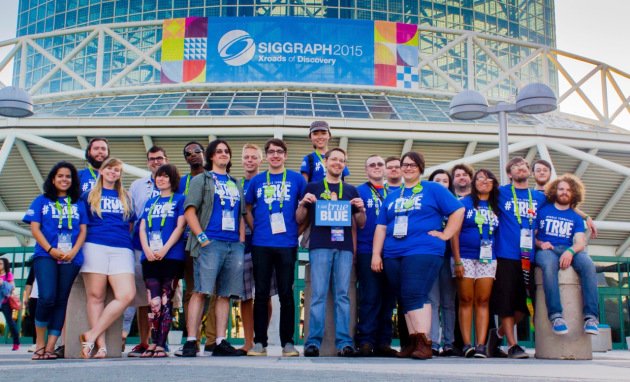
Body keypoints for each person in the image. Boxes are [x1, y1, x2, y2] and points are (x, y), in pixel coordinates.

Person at [372, 151, 464, 360]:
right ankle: (413, 342)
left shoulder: (433, 189)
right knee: (405, 297)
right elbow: (380, 227)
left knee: (415, 293)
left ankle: (425, 342)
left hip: (423, 249)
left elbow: (457, 211)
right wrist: (376, 255)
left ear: (421, 168)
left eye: (413, 164)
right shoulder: (394, 195)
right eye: (405, 164)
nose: (408, 167)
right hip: (393, 252)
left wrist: (446, 234)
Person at [297, 148, 366, 357]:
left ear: (345, 165)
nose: (337, 163)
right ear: (325, 162)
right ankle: (312, 343)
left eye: (341, 160)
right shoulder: (313, 187)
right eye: (334, 159)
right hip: (320, 246)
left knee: (342, 296)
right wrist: (303, 203)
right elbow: (300, 219)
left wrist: (362, 209)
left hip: (344, 248)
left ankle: (345, 343)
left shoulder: (351, 190)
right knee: (318, 294)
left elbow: (361, 224)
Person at [181, 139, 246, 357]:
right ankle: (191, 340)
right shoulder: (202, 180)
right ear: (211, 156)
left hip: (232, 244)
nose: (223, 154)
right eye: (218, 152)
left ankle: (219, 341)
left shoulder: (235, 183)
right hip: (210, 242)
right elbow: (190, 211)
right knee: (200, 291)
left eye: (226, 151)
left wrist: (241, 240)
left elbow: (242, 215)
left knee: (225, 295)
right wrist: (202, 237)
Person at [245, 139, 306, 357]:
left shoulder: (297, 179)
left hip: (287, 245)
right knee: (260, 294)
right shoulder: (258, 181)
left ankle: (287, 343)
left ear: (285, 155)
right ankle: (259, 342)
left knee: (286, 294)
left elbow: (307, 208)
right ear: (267, 156)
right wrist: (256, 228)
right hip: (261, 244)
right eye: (271, 152)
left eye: (279, 152)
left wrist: (297, 232)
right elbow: (247, 207)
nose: (275, 155)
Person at [23, 161, 88, 360]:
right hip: (46, 255)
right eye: (60, 176)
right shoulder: (41, 201)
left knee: (61, 300)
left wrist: (74, 251)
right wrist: (50, 249)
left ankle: (51, 347)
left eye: (68, 176)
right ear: (53, 179)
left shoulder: (79, 203)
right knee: (47, 297)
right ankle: (40, 344)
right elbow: (34, 228)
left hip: (71, 257)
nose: (64, 179)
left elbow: (83, 230)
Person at [487, 157, 546, 359]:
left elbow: (565, 205)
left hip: (529, 256)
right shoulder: (501, 193)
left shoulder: (538, 197)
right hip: (506, 254)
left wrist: (586, 218)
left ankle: (498, 335)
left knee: (523, 306)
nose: (521, 168)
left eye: (524, 166)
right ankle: (513, 345)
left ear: (529, 172)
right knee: (506, 302)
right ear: (509, 174)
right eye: (515, 167)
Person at [79, 158, 136, 359]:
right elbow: (82, 225)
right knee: (96, 296)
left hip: (121, 247)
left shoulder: (126, 197)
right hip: (94, 246)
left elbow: (130, 225)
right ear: (101, 171)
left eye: (117, 170)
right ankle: (100, 346)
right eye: (109, 168)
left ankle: (91, 335)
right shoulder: (88, 196)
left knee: (127, 294)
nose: (113, 172)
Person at [535, 174, 599, 336]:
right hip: (547, 250)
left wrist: (570, 251)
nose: (564, 192)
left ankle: (591, 317)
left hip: (568, 249)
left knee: (588, 265)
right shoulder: (542, 210)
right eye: (561, 189)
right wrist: (541, 243)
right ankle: (556, 316)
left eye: (568, 190)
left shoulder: (575, 217)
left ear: (574, 193)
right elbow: (531, 236)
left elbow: (580, 242)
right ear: (555, 191)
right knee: (549, 266)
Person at [451, 169, 500, 358]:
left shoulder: (497, 206)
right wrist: (456, 261)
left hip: (488, 257)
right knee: (465, 299)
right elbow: (454, 233)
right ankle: (466, 344)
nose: (484, 181)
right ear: (473, 182)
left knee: (483, 300)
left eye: (488, 177)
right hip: (465, 256)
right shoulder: (463, 204)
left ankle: (481, 345)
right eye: (479, 178)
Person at [138, 164, 186, 358]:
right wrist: (147, 249)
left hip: (171, 256)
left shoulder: (180, 199)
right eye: (158, 176)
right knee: (153, 302)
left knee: (166, 300)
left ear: (172, 179)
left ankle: (160, 345)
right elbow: (142, 228)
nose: (161, 179)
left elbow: (180, 226)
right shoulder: (150, 202)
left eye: (165, 176)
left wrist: (165, 249)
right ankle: (154, 341)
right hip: (149, 257)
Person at [126, 146, 167, 357]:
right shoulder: (137, 186)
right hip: (140, 247)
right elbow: (132, 217)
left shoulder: (175, 185)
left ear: (166, 160)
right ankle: (144, 341)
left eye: (159, 158)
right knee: (144, 298)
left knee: (166, 296)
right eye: (152, 159)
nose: (156, 162)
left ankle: (162, 340)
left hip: (167, 249)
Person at [175, 141, 215, 356]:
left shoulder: (214, 178)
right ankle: (191, 339)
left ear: (205, 154)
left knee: (213, 292)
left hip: (212, 241)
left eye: (197, 152)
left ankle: (212, 339)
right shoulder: (181, 182)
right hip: (188, 243)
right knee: (193, 291)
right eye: (188, 153)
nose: (193, 156)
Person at [354, 155, 397, 357]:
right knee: (370, 297)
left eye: (380, 164)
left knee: (388, 299)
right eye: (372, 164)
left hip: (391, 252)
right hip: (366, 250)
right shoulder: (359, 191)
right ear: (366, 170)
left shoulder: (394, 193)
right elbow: (355, 223)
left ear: (386, 170)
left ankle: (383, 342)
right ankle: (365, 341)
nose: (377, 167)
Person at [426, 169, 457, 357]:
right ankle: (433, 342)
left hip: (449, 258)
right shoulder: (428, 205)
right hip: (431, 257)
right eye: (437, 180)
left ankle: (449, 342)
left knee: (448, 302)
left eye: (445, 181)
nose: (441, 184)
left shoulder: (455, 206)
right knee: (433, 301)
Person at [239, 143, 264, 354]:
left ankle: (260, 338)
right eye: (246, 157)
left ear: (260, 160)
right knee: (245, 295)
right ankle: (247, 340)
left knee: (264, 294)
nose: (249, 160)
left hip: (264, 243)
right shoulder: (236, 185)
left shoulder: (266, 183)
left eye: (253, 157)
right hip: (244, 245)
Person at [0, 257, 20, 350]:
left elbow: (12, 288)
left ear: (5, 265)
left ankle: (16, 343)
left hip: (5, 302)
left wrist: (2, 283)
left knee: (10, 322)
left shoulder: (8, 275)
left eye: (0, 264)